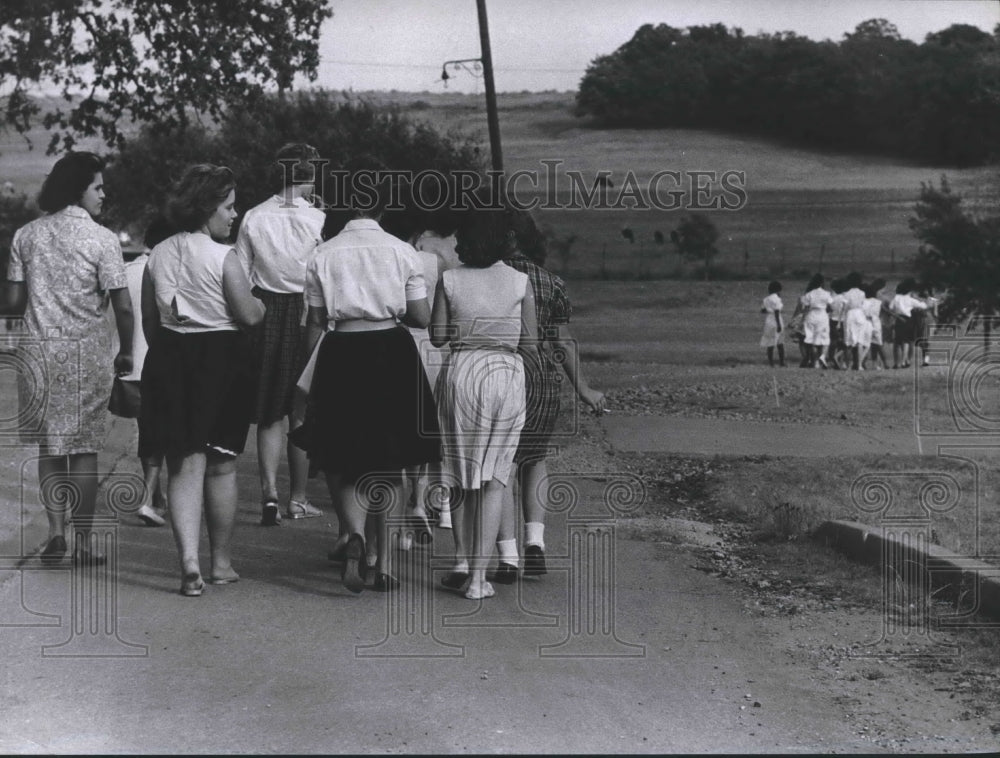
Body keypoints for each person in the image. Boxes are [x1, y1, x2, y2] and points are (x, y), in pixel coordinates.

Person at [293, 162, 440, 594]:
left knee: (341, 454)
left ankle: (354, 534)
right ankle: (385, 562)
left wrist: (311, 374)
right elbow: (420, 317)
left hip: (340, 351)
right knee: (389, 458)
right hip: (390, 351)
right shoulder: (401, 251)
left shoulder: (323, 253)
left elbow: (315, 320)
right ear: (382, 208)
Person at [2, 152, 133, 564]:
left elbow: (12, 301)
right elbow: (123, 306)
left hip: (39, 353)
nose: (103, 193)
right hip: (87, 356)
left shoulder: (26, 236)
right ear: (80, 189)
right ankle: (84, 543)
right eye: (97, 186)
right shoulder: (103, 239)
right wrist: (126, 350)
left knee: (50, 448)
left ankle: (55, 533)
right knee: (84, 450)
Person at [140, 164, 264, 596]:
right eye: (228, 206)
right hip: (221, 359)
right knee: (222, 465)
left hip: (171, 356)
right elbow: (248, 315)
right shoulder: (222, 256)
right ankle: (221, 563)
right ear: (206, 206)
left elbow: (150, 323)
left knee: (183, 463)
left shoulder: (157, 254)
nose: (235, 215)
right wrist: (261, 304)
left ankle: (188, 562)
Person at [488, 208, 605, 584]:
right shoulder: (550, 281)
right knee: (534, 459)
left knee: (501, 465)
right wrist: (584, 388)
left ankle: (507, 556)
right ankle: (535, 543)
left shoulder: (485, 275)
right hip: (542, 379)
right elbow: (564, 341)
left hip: (497, 376)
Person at [431, 204, 537, 600]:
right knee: (495, 478)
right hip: (505, 374)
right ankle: (478, 578)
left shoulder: (451, 279)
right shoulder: (519, 281)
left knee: (460, 474)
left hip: (462, 373)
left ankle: (461, 559)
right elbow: (530, 344)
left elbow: (439, 336)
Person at [235, 143, 325, 525]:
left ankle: (270, 492)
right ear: (310, 174)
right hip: (308, 311)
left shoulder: (254, 216)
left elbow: (240, 270)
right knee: (300, 409)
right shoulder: (319, 218)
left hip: (265, 310)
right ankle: (298, 497)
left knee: (271, 411)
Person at [113, 215, 176, 527]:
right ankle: (150, 497)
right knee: (160, 433)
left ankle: (156, 495)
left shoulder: (127, 271)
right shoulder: (166, 271)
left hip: (130, 366)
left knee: (148, 431)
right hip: (160, 364)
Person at [888, 278, 928, 369]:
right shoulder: (910, 299)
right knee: (906, 341)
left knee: (897, 342)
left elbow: (890, 307)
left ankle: (896, 363)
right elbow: (923, 306)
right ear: (909, 290)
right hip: (908, 320)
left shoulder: (896, 298)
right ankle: (904, 361)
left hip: (898, 320)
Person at [800, 273, 832, 369]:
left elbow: (804, 307)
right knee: (824, 338)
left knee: (811, 339)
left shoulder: (809, 294)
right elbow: (831, 306)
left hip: (811, 315)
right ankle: (822, 356)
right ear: (822, 283)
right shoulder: (826, 294)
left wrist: (802, 320)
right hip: (822, 316)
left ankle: (815, 362)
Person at [841, 271, 869, 371]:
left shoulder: (846, 294)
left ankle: (847, 365)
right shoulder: (862, 293)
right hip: (860, 314)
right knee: (859, 341)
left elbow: (844, 308)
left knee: (848, 341)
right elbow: (864, 306)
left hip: (850, 314)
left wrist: (841, 319)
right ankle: (859, 365)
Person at [759, 280, 785, 368]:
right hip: (776, 319)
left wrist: (769, 310)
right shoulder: (777, 299)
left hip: (769, 320)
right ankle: (782, 362)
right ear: (778, 290)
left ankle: (771, 363)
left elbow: (762, 310)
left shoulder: (766, 299)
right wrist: (778, 324)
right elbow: (777, 311)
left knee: (770, 343)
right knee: (780, 342)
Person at [862, 282, 888, 370]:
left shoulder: (863, 302)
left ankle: (862, 362)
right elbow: (882, 312)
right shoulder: (878, 302)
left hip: (865, 323)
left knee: (864, 344)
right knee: (879, 344)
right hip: (876, 323)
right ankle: (885, 363)